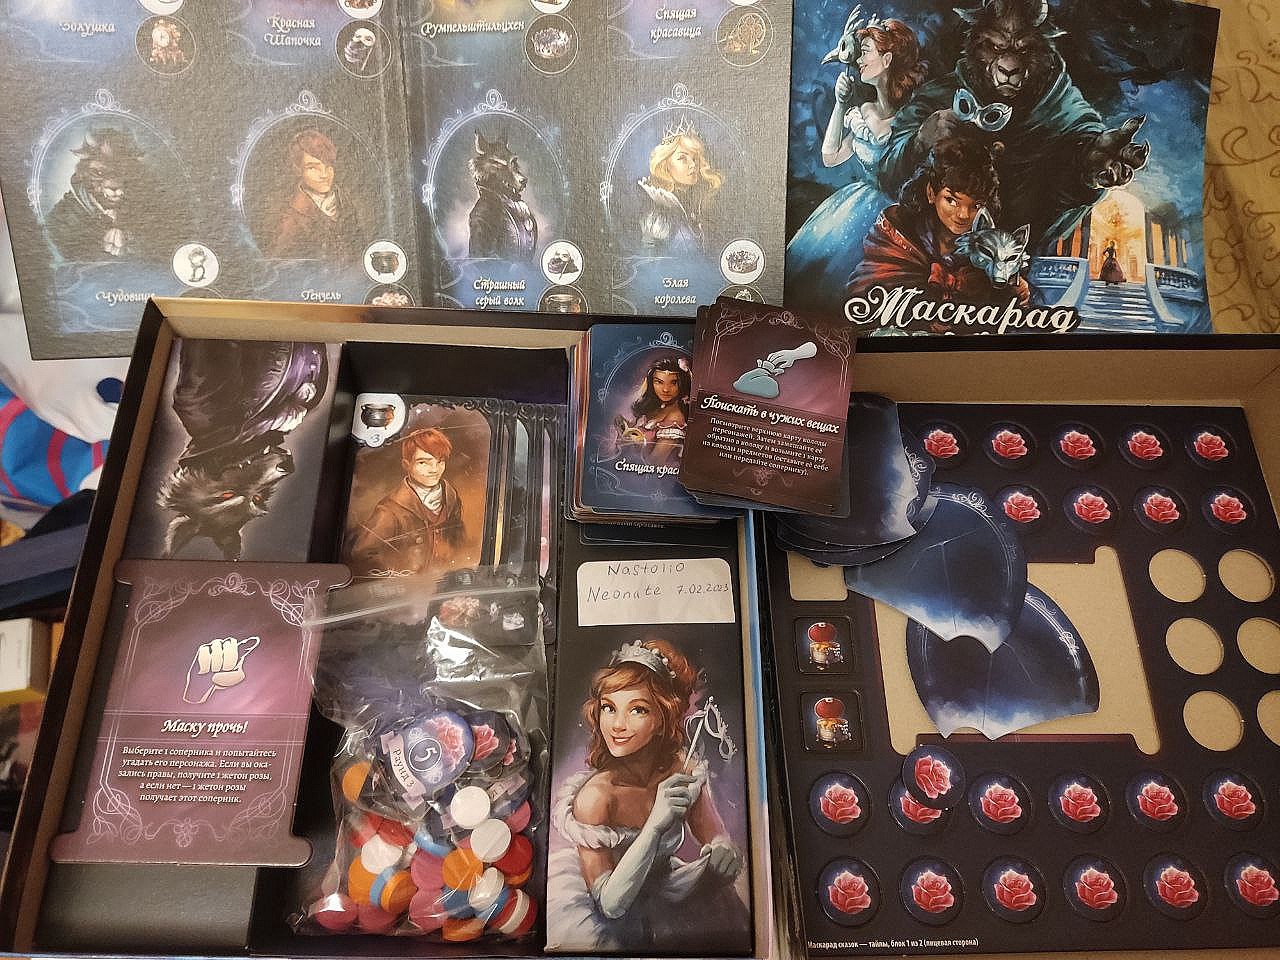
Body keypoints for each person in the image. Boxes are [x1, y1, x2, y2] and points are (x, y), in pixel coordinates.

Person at [547, 639, 748, 953]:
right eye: (609, 708)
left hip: (670, 889)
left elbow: (714, 834)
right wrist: (655, 825)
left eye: (637, 710)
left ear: (662, 719)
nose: (617, 725)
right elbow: (611, 905)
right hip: (614, 904)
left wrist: (723, 850)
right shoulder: (597, 797)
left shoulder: (681, 769)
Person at [786, 16, 926, 313]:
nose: (859, 60)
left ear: (887, 59)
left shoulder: (911, 112)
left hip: (894, 214)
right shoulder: (865, 111)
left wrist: (862, 107)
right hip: (854, 206)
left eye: (865, 52)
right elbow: (830, 157)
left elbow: (884, 136)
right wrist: (840, 104)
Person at [849, 135, 1023, 306]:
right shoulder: (896, 239)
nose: (963, 215)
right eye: (951, 201)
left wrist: (1013, 291)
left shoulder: (993, 256)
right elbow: (863, 295)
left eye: (976, 205)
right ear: (931, 193)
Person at [348, 428, 464, 577]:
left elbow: (458, 539)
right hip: (410, 585)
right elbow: (362, 555)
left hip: (446, 580)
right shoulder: (390, 510)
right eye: (423, 462)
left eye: (440, 461)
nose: (434, 469)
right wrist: (398, 576)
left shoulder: (451, 496)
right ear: (406, 465)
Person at [45, 128, 149, 262]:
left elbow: (157, 244)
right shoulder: (63, 215)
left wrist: (129, 238)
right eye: (99, 173)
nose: (113, 184)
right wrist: (99, 242)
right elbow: (62, 252)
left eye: (123, 172)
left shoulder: (144, 206)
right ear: (84, 173)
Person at [266, 128, 366, 261]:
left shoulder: (346, 203)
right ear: (299, 170)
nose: (324, 174)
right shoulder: (290, 217)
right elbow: (280, 264)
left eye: (328, 166)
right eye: (313, 167)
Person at [637, 124, 722, 255]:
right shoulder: (659, 211)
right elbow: (649, 261)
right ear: (665, 164)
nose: (693, 164)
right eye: (682, 158)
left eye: (695, 158)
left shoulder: (697, 201)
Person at [615, 356, 690, 466]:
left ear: (682, 385)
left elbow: (653, 464)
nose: (666, 389)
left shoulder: (675, 421)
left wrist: (636, 444)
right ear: (651, 383)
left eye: (673, 383)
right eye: (659, 382)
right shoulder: (657, 407)